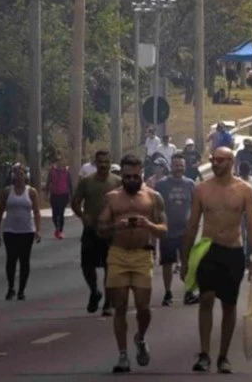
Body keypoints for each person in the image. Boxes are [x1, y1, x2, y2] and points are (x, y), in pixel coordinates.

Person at [180, 146, 252, 374]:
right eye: (212, 160)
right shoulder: (202, 189)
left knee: (229, 304)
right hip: (208, 250)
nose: (215, 164)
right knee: (205, 298)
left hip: (233, 252)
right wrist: (185, 260)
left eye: (220, 160)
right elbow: (192, 225)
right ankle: (204, 352)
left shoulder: (245, 190)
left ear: (231, 161)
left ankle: (223, 356)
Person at [97, 154, 167, 373]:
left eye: (135, 176)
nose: (131, 180)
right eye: (126, 177)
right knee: (120, 307)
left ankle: (140, 337)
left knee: (143, 307)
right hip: (118, 254)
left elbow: (164, 229)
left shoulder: (153, 197)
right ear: (121, 176)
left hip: (142, 255)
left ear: (141, 174)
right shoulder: (112, 198)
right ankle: (123, 355)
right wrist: (117, 226)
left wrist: (149, 225)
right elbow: (100, 229)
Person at [71, 149, 121, 315]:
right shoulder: (87, 181)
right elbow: (76, 202)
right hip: (91, 230)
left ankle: (108, 302)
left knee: (109, 267)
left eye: (106, 162)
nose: (104, 165)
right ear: (95, 163)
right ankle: (94, 291)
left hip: (109, 232)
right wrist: (82, 216)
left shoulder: (117, 182)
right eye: (100, 162)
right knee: (87, 266)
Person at [0, 162, 41, 301]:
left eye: (22, 174)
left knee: (24, 261)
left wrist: (38, 230)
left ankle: (21, 290)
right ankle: (11, 287)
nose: (19, 177)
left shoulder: (31, 192)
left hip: (26, 231)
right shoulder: (7, 191)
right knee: (11, 260)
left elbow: (37, 212)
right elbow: (0, 212)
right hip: (10, 231)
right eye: (17, 174)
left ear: (26, 176)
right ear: (13, 176)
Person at [154, 154, 196, 307]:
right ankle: (167, 292)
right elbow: (156, 207)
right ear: (170, 167)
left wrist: (194, 225)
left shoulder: (190, 184)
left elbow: (195, 206)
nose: (179, 168)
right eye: (176, 165)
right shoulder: (161, 185)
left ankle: (189, 292)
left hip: (185, 231)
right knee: (167, 263)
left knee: (187, 262)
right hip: (168, 231)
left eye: (181, 165)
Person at [46, 154, 72, 239]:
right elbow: (48, 182)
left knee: (61, 213)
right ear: (56, 162)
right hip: (54, 195)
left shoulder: (66, 171)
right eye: (58, 161)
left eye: (61, 161)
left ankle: (60, 231)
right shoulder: (52, 171)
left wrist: (71, 195)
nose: (60, 163)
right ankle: (56, 228)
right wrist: (46, 193)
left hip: (64, 194)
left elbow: (69, 183)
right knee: (54, 214)